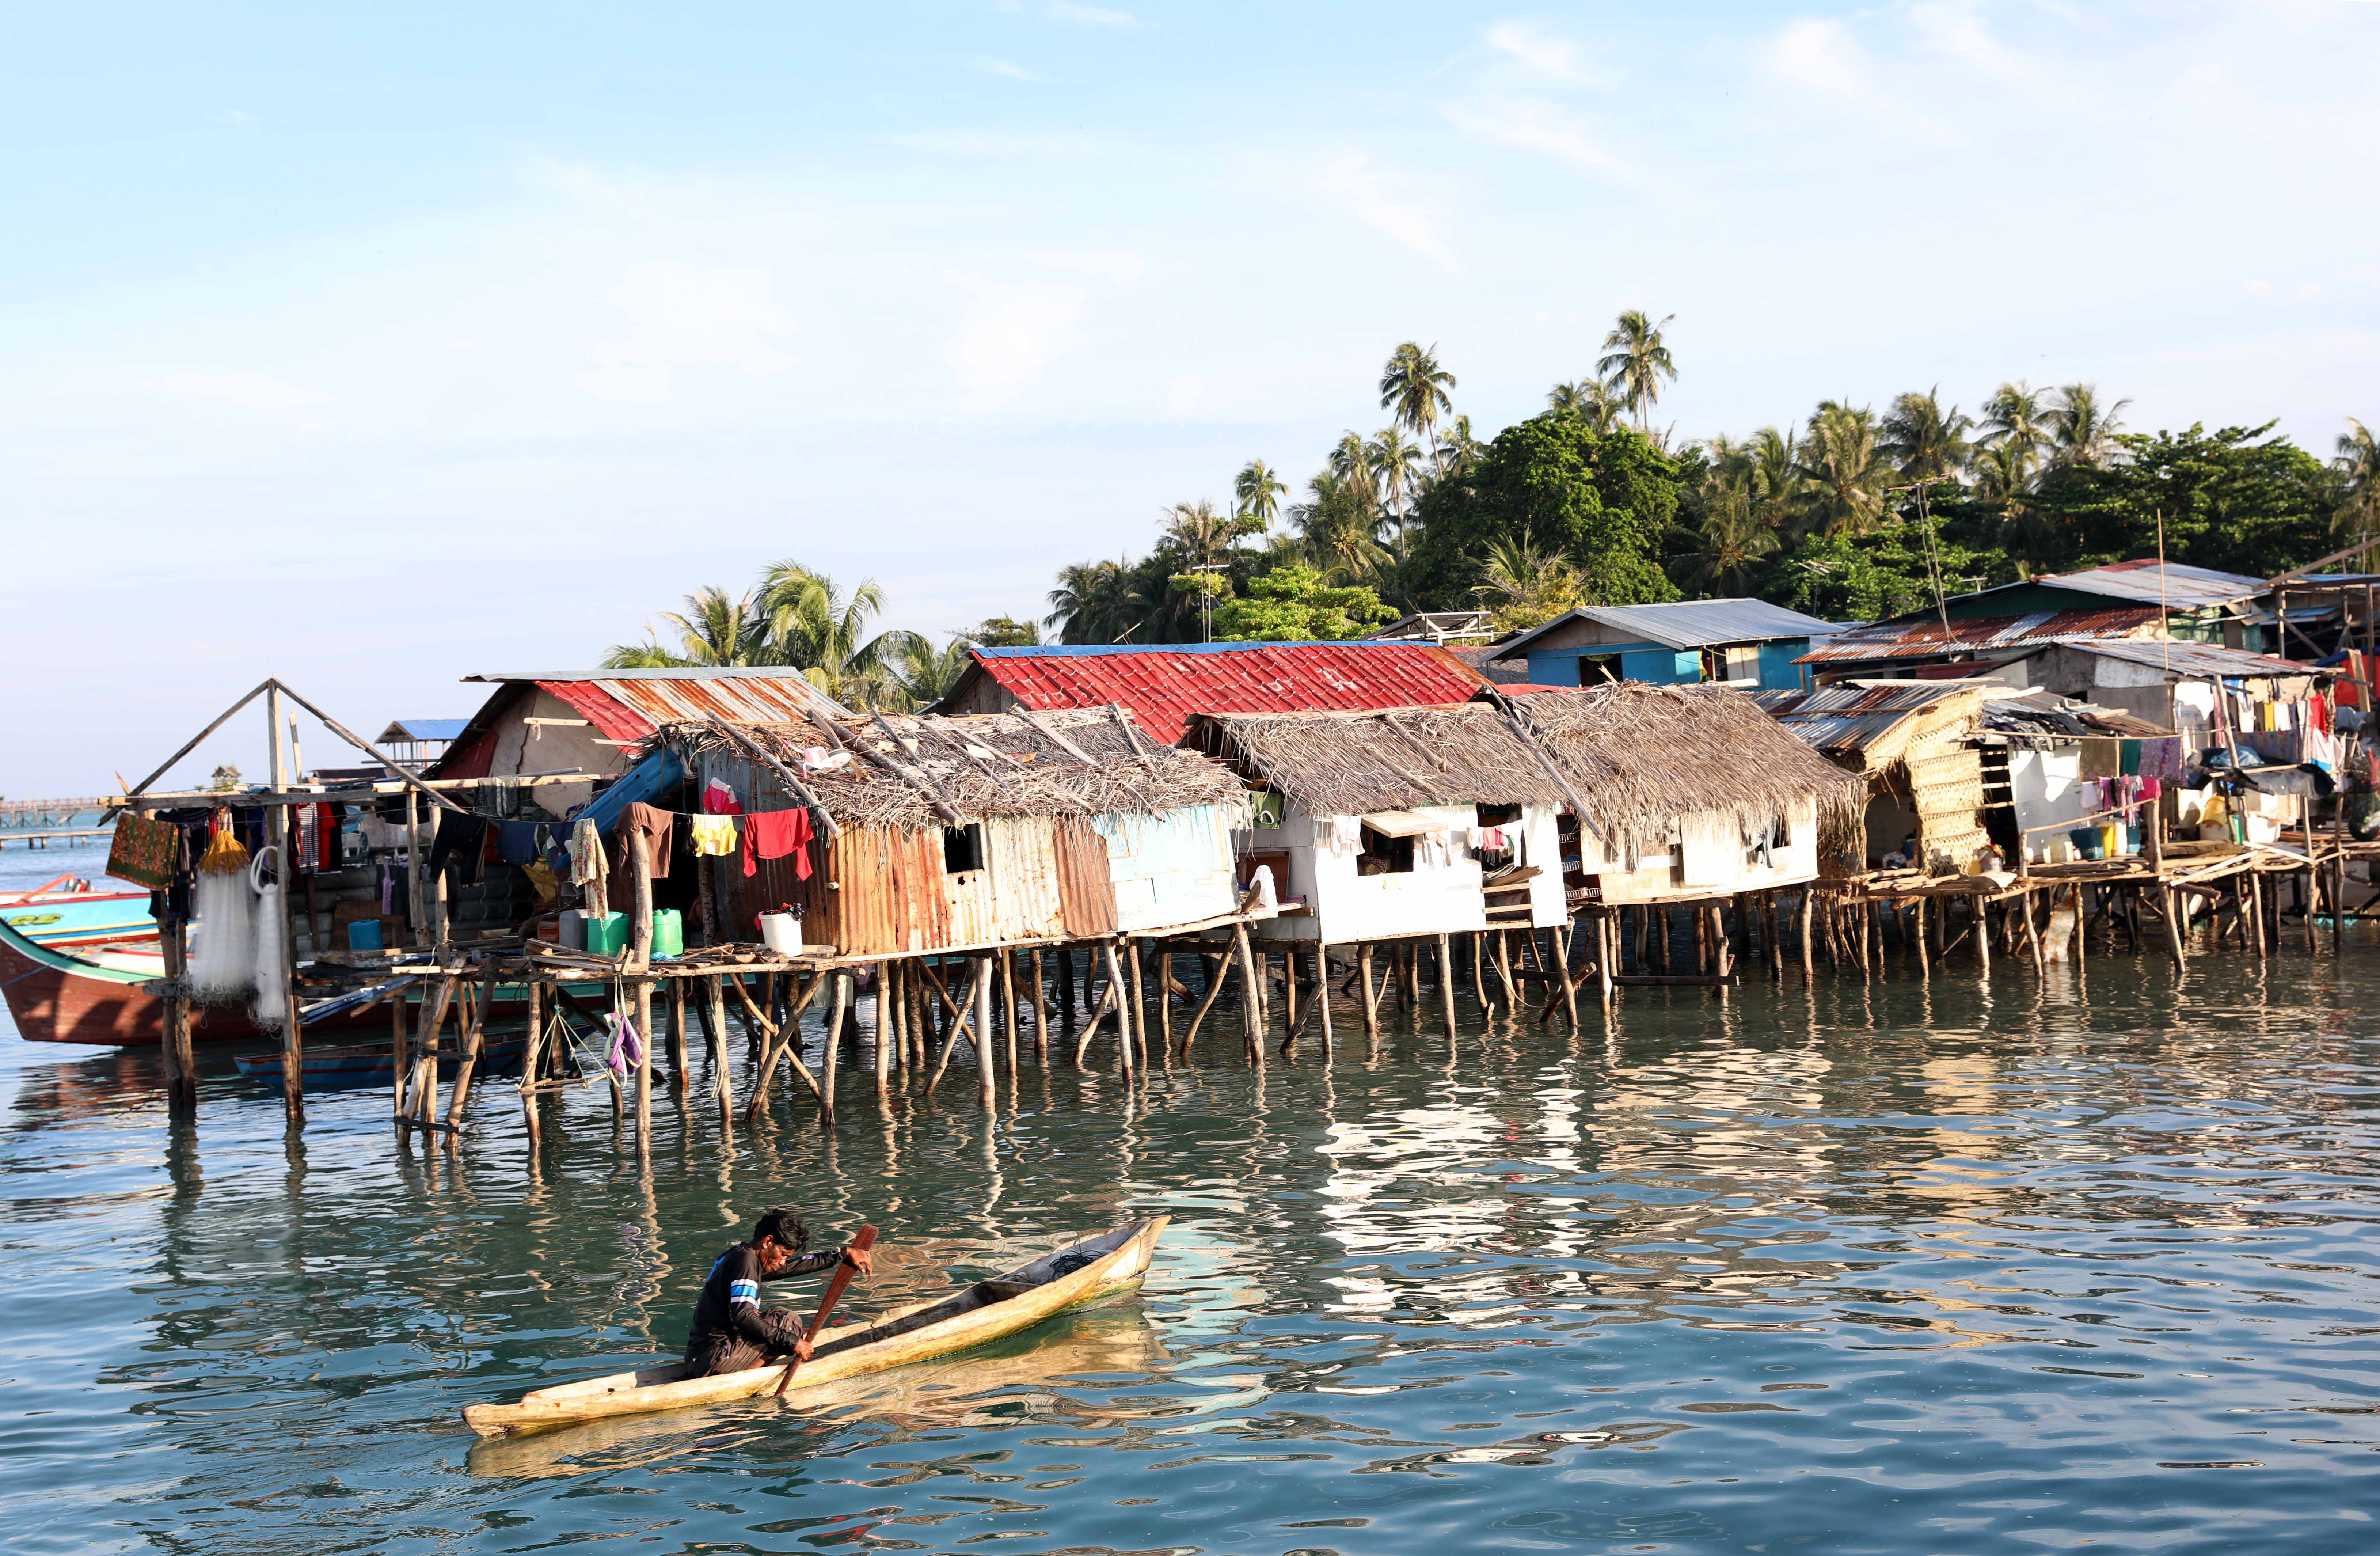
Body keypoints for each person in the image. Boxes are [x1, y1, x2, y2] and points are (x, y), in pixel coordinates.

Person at [683, 1208, 874, 1377]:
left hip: (701, 1357)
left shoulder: (740, 1256)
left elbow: (790, 1267)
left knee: (780, 1318)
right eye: (783, 1254)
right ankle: (746, 1380)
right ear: (768, 1242)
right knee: (788, 1321)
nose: (783, 1261)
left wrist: (840, 1254)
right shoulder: (746, 1263)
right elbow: (743, 1315)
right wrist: (793, 1343)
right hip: (715, 1359)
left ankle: (744, 1372)